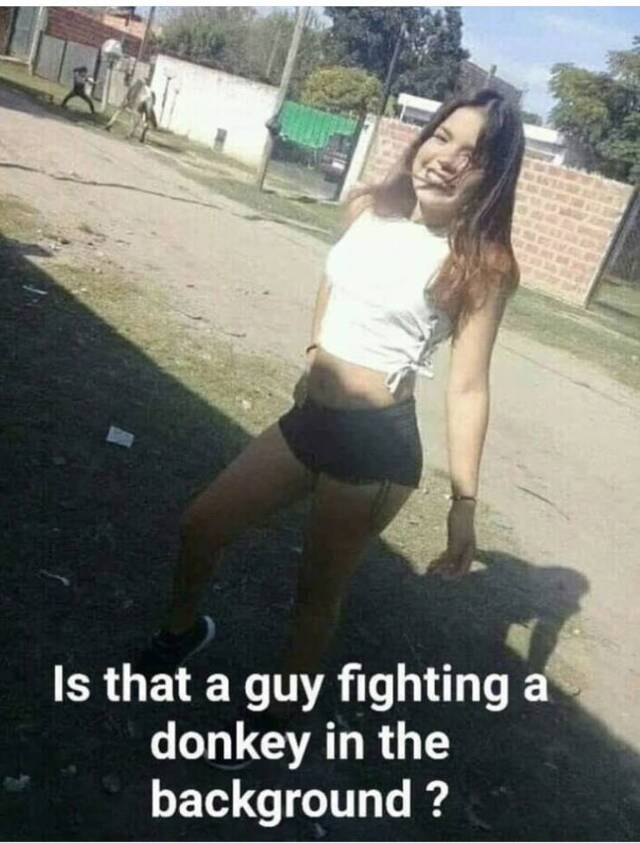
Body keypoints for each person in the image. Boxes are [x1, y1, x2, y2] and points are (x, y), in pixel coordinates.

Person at [137, 89, 525, 735]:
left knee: (315, 592)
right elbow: (334, 279)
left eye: (474, 154)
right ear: (422, 139)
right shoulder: (369, 209)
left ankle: (283, 714)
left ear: (492, 176)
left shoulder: (480, 264)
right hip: (311, 421)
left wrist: (463, 504)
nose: (448, 158)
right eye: (442, 136)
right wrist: (316, 349)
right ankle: (180, 632)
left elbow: (468, 388)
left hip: (375, 449)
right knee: (202, 524)